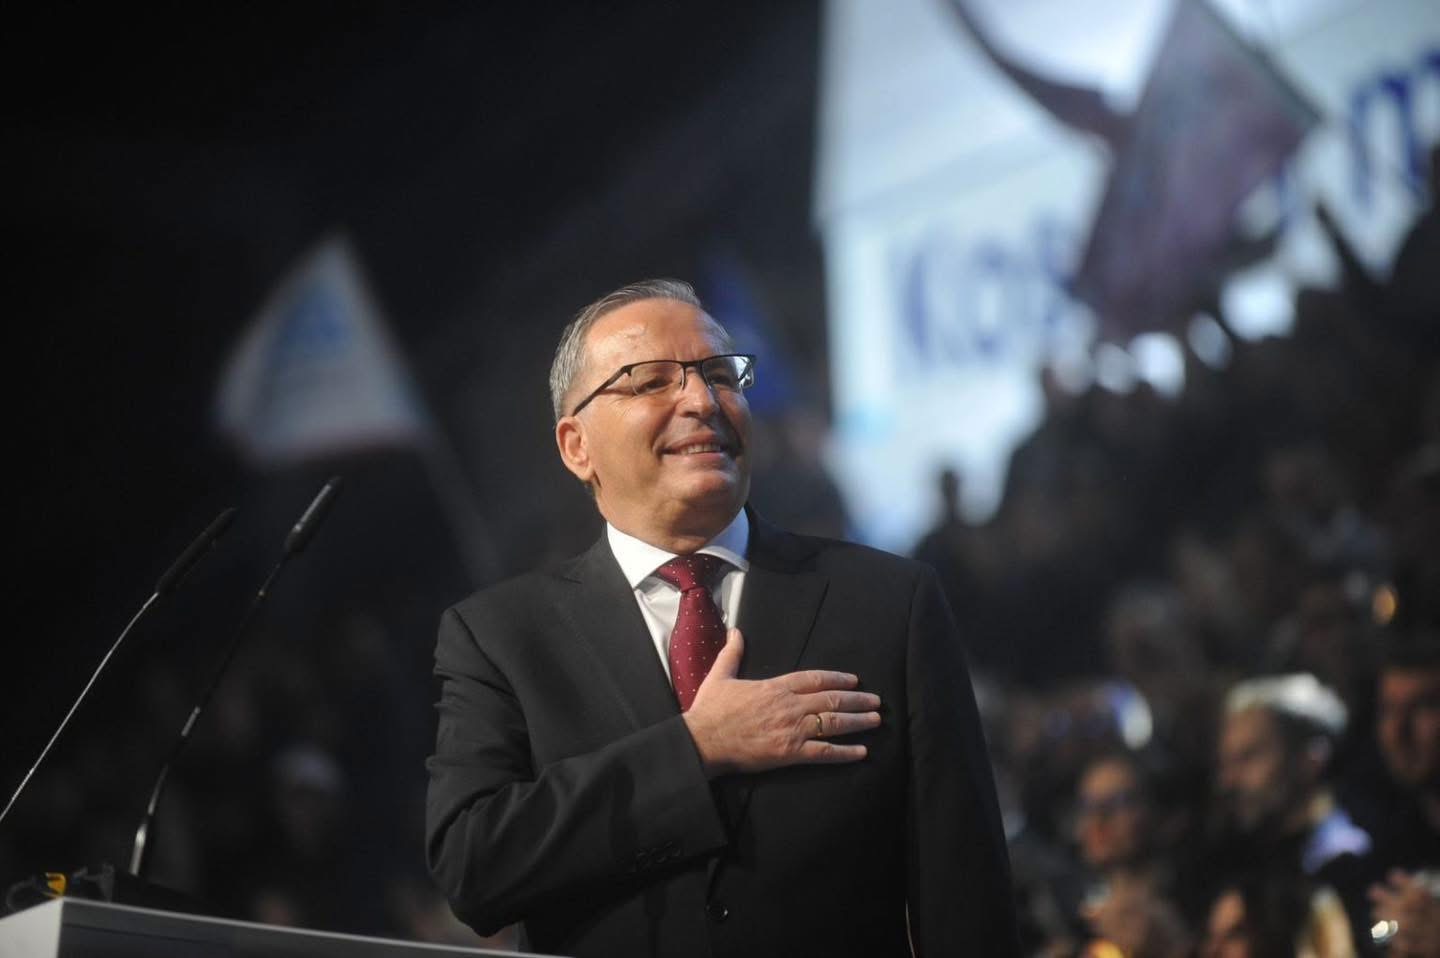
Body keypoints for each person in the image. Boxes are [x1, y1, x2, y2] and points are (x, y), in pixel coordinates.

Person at [424, 280, 1019, 957]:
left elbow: (966, 898)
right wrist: (696, 748)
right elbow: (474, 867)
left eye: (720, 375)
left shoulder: (890, 603)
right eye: (652, 382)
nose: (702, 401)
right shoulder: (501, 638)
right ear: (576, 446)